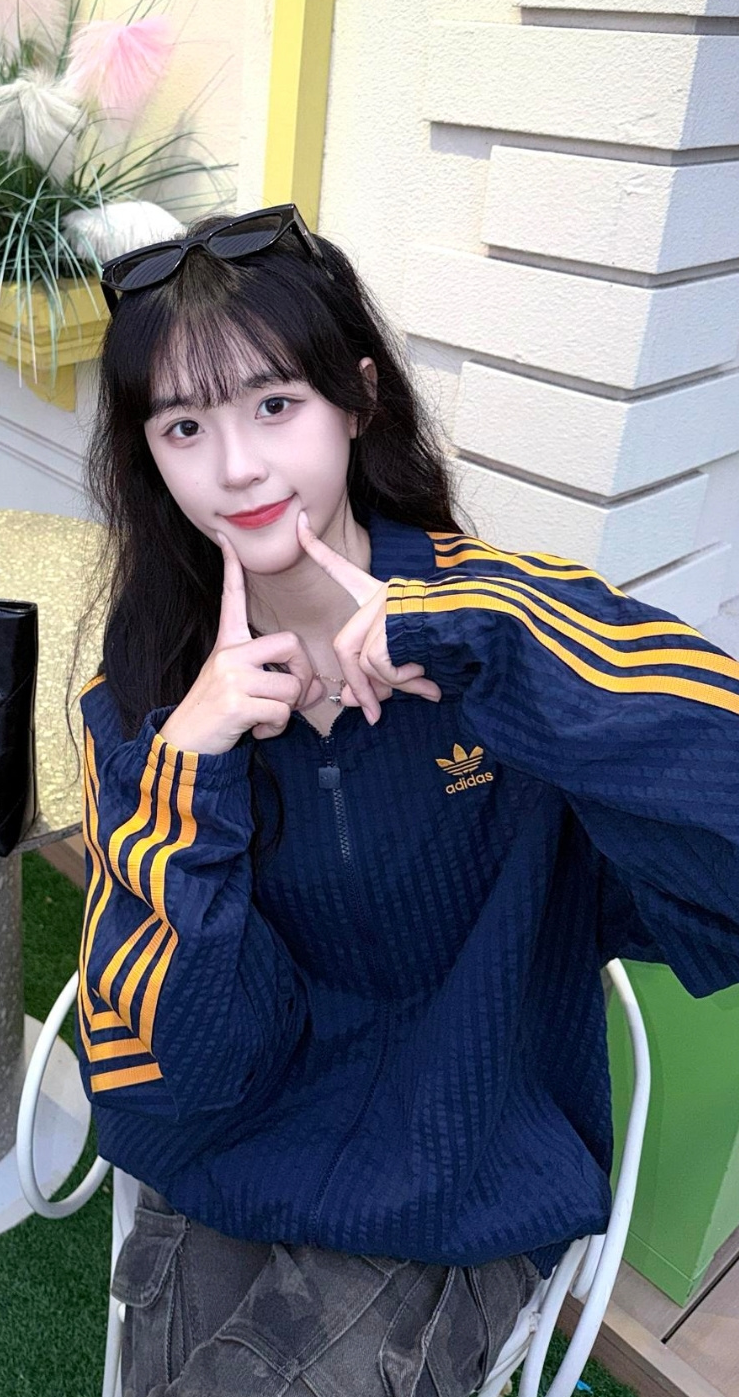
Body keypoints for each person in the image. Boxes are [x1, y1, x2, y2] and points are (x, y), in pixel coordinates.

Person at [65, 202, 739, 1397]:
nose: (237, 467)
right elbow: (176, 1069)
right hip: (240, 1139)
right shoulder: (149, 700)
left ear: (358, 399)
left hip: (469, 1157)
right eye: (184, 425)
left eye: (276, 405)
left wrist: (492, 647)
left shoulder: (509, 623)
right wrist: (193, 770)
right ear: (146, 456)